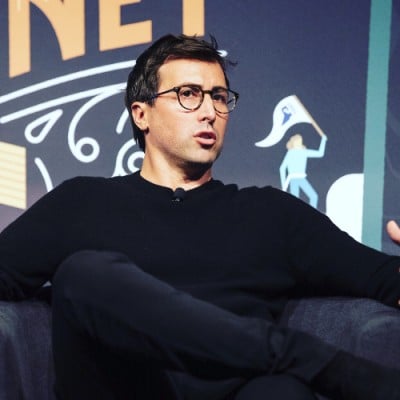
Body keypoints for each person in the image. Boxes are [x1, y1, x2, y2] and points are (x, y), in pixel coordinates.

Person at [0, 34, 400, 400]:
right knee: (83, 274)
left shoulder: (271, 214)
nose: (209, 111)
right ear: (141, 114)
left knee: (281, 391)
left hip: (236, 391)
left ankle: (293, 361)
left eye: (220, 97)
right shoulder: (82, 202)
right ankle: (304, 359)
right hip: (124, 391)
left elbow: (380, 277)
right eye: (189, 94)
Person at [279, 133, 327, 208]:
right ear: (294, 143)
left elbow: (320, 153)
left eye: (300, 142)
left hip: (301, 178)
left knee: (313, 196)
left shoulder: (304, 152)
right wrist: (284, 185)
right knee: (295, 201)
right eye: (298, 142)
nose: (299, 143)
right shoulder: (290, 153)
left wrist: (323, 140)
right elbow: (282, 168)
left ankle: (310, 213)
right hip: (294, 179)